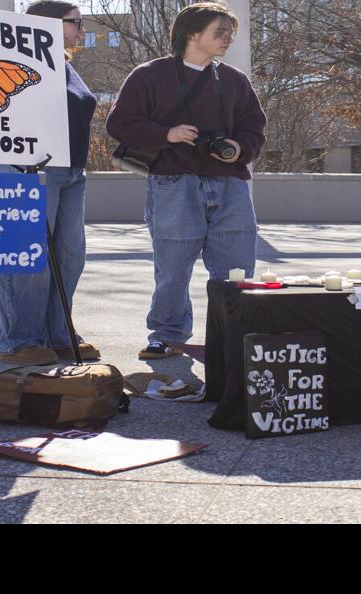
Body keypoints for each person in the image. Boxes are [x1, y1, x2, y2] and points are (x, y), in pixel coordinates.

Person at [106, 2, 267, 361]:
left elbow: (254, 128)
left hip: (230, 185)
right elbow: (119, 124)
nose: (227, 39)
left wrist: (238, 149)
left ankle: (234, 334)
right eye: (220, 32)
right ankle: (167, 335)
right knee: (173, 270)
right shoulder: (149, 75)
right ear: (192, 33)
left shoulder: (234, 79)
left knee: (237, 267)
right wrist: (167, 134)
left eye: (230, 33)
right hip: (173, 184)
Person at [0, 1, 100, 365]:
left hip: (71, 171)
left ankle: (58, 334)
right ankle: (20, 341)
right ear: (45, 24)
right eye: (75, 23)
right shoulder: (16, 61)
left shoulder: (64, 66)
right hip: (29, 169)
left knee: (70, 256)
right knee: (29, 256)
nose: (81, 30)